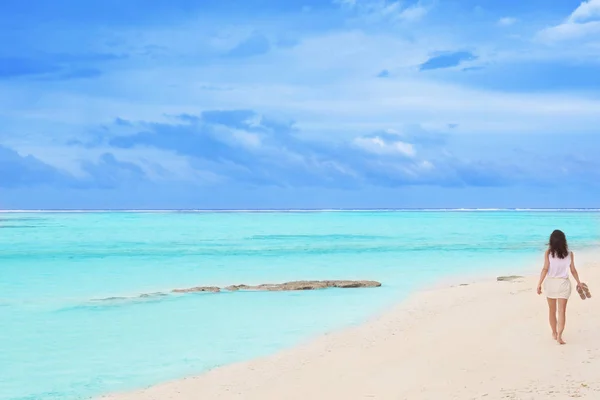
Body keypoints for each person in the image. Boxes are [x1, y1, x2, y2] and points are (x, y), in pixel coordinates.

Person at [536, 230, 582, 345]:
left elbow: (545, 269)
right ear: (564, 241)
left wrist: (539, 284)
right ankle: (560, 336)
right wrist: (578, 282)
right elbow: (573, 270)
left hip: (551, 283)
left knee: (552, 311)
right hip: (563, 284)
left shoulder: (548, 253)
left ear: (551, 241)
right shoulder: (570, 254)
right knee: (562, 312)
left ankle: (554, 333)